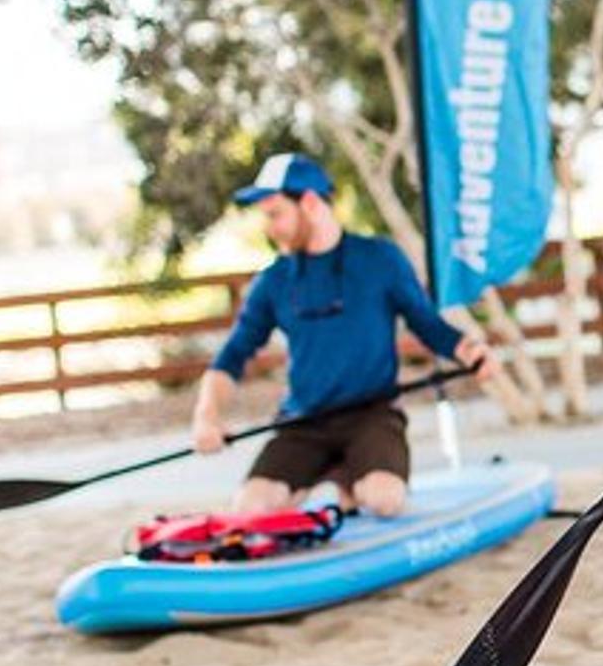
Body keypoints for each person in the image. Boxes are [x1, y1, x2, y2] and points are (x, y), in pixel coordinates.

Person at [190, 153, 496, 518]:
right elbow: (232, 356)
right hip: (303, 423)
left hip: (373, 415)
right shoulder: (272, 281)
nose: (269, 227)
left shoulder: (380, 260)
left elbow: (426, 324)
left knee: (384, 499)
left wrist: (470, 350)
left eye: (275, 214)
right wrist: (207, 416)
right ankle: (340, 483)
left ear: (310, 203)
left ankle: (354, 481)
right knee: (250, 509)